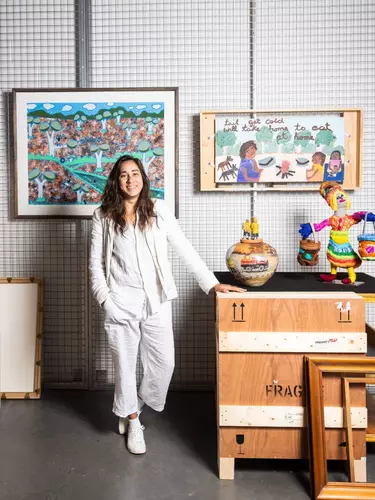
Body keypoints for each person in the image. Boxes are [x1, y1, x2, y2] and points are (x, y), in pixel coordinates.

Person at [89, 154, 245, 455]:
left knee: (164, 364)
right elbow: (95, 264)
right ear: (116, 181)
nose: (130, 179)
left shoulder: (158, 211)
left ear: (143, 178)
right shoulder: (103, 215)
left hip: (156, 300)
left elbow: (185, 250)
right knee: (124, 367)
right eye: (123, 175)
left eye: (135, 173)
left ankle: (134, 405)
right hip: (120, 300)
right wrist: (105, 300)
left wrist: (211, 284)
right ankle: (133, 421)